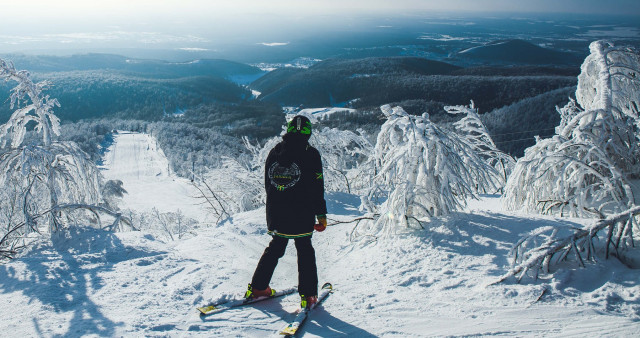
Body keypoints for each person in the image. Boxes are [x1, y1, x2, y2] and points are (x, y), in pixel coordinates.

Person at [244, 115, 328, 309]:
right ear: (308, 132)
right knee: (305, 249)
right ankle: (308, 295)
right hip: (302, 213)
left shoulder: (274, 152)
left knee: (275, 247)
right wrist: (321, 215)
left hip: (277, 212)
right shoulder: (311, 154)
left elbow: (269, 184)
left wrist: (275, 207)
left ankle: (258, 287)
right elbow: (317, 187)